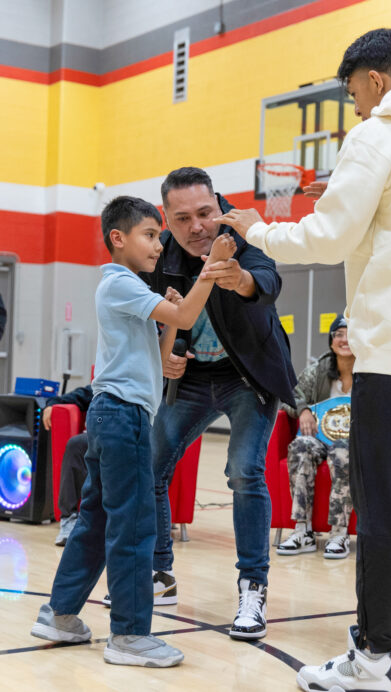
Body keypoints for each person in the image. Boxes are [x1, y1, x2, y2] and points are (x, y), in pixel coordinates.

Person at [217, 28, 391, 692]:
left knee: (380, 509)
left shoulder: (378, 135)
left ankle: (373, 658)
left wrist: (253, 227)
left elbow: (327, 234)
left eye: (351, 95)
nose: (354, 110)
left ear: (373, 80)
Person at [30, 195, 236, 667]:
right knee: (136, 526)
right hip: (122, 419)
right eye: (150, 235)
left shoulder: (130, 290)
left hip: (114, 417)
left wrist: (168, 315)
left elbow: (164, 357)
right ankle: (128, 635)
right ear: (117, 239)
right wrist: (211, 270)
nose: (159, 245)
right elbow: (187, 320)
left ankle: (60, 615)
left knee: (98, 522)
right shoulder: (119, 284)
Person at [140, 166, 297, 641]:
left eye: (205, 213)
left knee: (244, 471)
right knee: (152, 466)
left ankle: (253, 587)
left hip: (247, 376)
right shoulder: (160, 254)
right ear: (167, 218)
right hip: (192, 378)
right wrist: (165, 356)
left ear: (218, 205)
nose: (197, 227)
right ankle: (159, 574)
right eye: (183, 218)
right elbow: (147, 317)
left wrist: (241, 279)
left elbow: (267, 282)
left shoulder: (243, 233)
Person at [278, 315, 354, 559]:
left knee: (343, 451)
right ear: (331, 341)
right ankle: (303, 530)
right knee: (301, 445)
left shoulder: (371, 373)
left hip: (353, 443)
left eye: (349, 334)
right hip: (320, 439)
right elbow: (291, 396)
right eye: (338, 334)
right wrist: (304, 411)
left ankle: (339, 532)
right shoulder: (318, 371)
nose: (344, 340)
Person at [41, 384, 94, 545]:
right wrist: (51, 406)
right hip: (95, 438)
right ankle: (69, 521)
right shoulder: (99, 385)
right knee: (75, 445)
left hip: (126, 436)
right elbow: (61, 399)